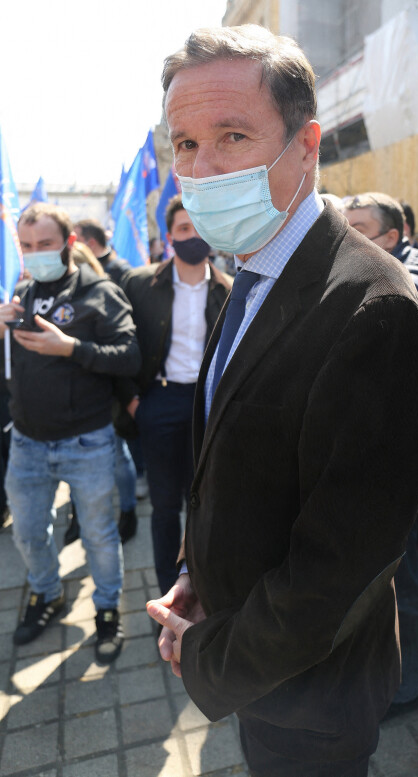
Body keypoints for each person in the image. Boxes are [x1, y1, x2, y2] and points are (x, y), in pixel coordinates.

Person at [145, 25, 418, 777]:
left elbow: (341, 567)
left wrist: (206, 654)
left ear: (307, 146)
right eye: (183, 145)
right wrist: (202, 577)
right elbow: (238, 464)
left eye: (232, 136)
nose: (201, 170)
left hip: (310, 699)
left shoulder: (374, 308)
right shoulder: (251, 269)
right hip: (256, 658)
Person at [1, 203, 140, 664]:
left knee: (100, 536)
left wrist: (72, 348)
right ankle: (47, 594)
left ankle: (106, 610)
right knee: (27, 532)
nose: (36, 253)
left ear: (68, 244)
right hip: (27, 444)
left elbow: (128, 356)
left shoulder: (100, 292)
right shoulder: (22, 291)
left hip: (87, 442)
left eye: (45, 244)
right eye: (27, 246)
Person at [344, 192, 418, 715]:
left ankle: (403, 690)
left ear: (392, 236)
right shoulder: (369, 275)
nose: (346, 235)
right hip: (374, 471)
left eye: (359, 226)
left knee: (402, 583)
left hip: (397, 476)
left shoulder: (412, 289)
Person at [115, 195, 231, 596]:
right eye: (184, 229)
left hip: (209, 406)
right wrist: (133, 402)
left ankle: (201, 585)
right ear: (170, 237)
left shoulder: (230, 290)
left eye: (200, 228)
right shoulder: (140, 284)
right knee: (165, 507)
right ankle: (167, 591)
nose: (193, 236)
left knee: (205, 503)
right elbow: (121, 346)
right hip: (159, 402)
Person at [71, 222, 139, 544]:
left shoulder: (108, 288)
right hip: (74, 395)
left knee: (117, 453)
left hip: (107, 389)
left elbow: (126, 350)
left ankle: (128, 511)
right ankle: (78, 516)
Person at [74, 218, 132, 284]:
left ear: (91, 243)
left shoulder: (121, 271)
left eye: (77, 241)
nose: (73, 246)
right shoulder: (79, 268)